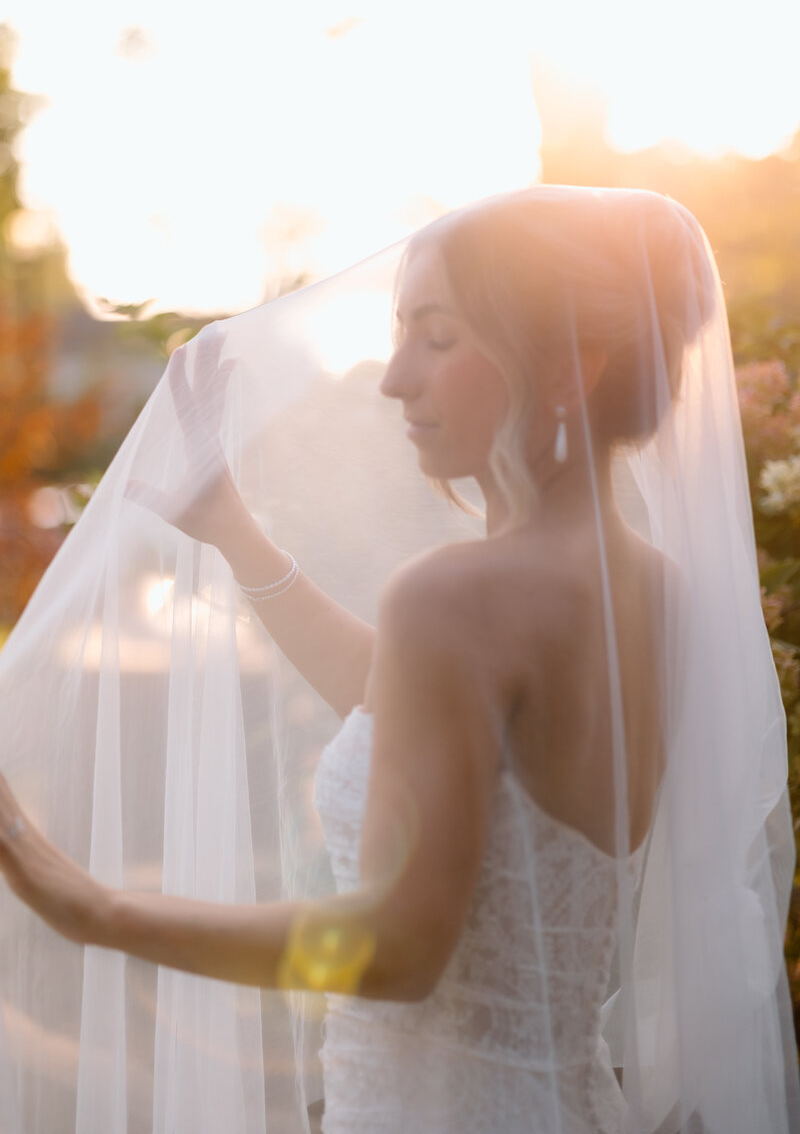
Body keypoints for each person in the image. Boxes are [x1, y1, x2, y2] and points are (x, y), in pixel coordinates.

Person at [0, 186, 797, 1134]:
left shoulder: (460, 597)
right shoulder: (652, 588)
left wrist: (91, 907)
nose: (393, 379)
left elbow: (401, 947)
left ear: (568, 368)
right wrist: (235, 533)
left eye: (439, 337)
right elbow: (422, 717)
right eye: (400, 331)